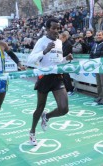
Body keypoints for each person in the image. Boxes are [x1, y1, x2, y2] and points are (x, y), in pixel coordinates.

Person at [27, 18, 73, 146]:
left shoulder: (59, 42)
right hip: (44, 78)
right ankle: (32, 132)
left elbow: (57, 62)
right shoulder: (42, 41)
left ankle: (46, 117)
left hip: (57, 77)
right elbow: (30, 60)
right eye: (53, 28)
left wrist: (65, 59)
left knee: (64, 109)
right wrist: (44, 51)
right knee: (40, 107)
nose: (56, 31)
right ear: (47, 29)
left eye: (58, 28)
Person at [90, 30, 103, 105]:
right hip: (96, 67)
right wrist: (91, 62)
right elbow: (91, 54)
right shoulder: (95, 44)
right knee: (98, 83)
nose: (98, 36)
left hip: (102, 67)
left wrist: (96, 63)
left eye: (100, 35)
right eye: (97, 35)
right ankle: (99, 96)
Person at [59, 31, 75, 96]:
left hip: (66, 62)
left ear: (64, 37)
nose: (59, 40)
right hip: (63, 62)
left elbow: (65, 53)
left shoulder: (68, 44)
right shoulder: (62, 44)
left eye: (60, 38)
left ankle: (70, 90)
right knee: (63, 77)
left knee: (66, 77)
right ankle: (67, 89)